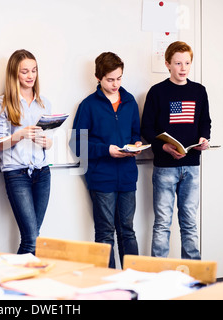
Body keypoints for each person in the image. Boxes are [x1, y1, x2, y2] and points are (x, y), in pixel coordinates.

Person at [70, 52, 142, 268]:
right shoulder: (88, 105)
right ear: (99, 77)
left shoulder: (129, 102)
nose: (115, 84)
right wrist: (106, 150)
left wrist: (137, 145)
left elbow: (135, 134)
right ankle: (108, 287)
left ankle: (134, 282)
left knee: (127, 231)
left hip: (127, 176)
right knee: (105, 233)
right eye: (110, 79)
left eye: (119, 78)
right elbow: (77, 144)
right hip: (102, 178)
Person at [141, 41, 211, 259]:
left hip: (191, 166)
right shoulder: (157, 92)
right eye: (178, 63)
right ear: (167, 64)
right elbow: (147, 128)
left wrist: (204, 139)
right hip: (165, 167)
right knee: (162, 223)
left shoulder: (199, 91)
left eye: (187, 63)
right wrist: (163, 146)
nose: (183, 68)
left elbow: (205, 123)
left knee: (190, 222)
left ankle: (193, 275)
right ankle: (158, 273)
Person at [0, 49, 53, 255]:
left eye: (34, 70)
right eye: (25, 71)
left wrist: (47, 142)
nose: (30, 76)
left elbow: (49, 141)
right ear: (14, 74)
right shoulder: (2, 103)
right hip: (16, 173)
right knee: (31, 239)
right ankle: (18, 283)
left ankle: (25, 281)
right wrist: (21, 134)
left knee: (34, 237)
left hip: (42, 173)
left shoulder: (44, 103)